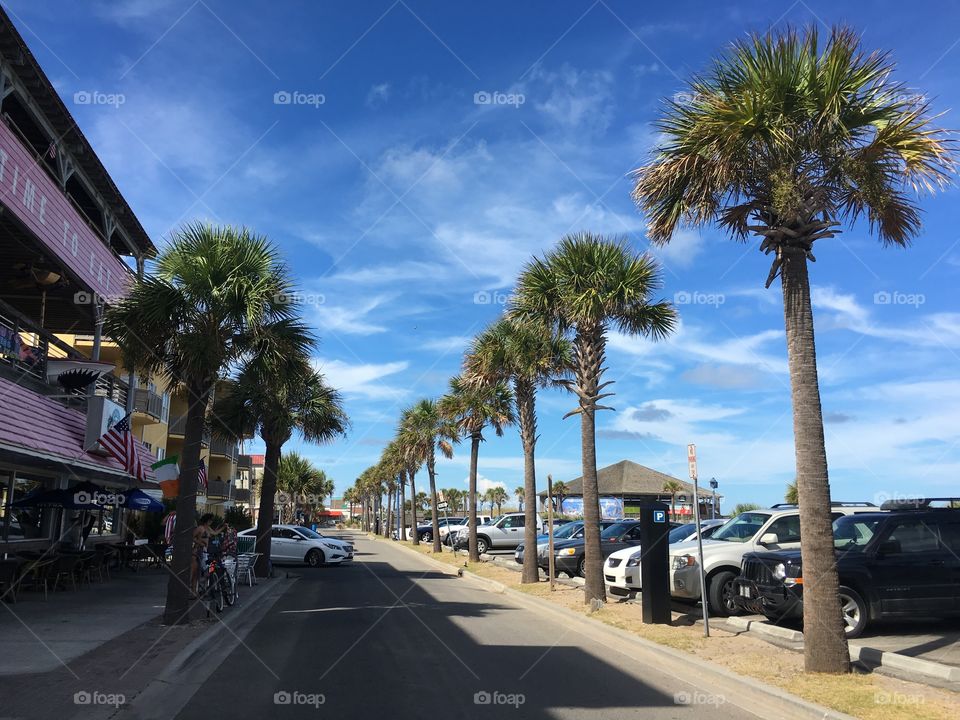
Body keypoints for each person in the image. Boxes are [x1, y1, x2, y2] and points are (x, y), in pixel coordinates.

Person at [191, 514, 224, 595]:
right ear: (207, 520)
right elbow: (192, 537)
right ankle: (195, 590)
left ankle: (203, 587)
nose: (211, 522)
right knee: (196, 572)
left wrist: (223, 527)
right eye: (210, 520)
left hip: (205, 552)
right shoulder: (200, 528)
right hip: (198, 551)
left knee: (208, 569)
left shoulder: (208, 528)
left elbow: (215, 533)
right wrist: (200, 542)